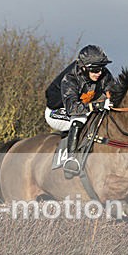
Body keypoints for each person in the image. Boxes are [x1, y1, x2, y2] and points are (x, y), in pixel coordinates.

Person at [45, 44, 115, 177]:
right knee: (80, 118)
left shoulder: (102, 74)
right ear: (84, 68)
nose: (99, 73)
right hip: (56, 112)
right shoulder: (70, 79)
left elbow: (112, 92)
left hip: (82, 106)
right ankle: (71, 159)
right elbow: (73, 109)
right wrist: (96, 106)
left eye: (101, 68)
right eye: (94, 70)